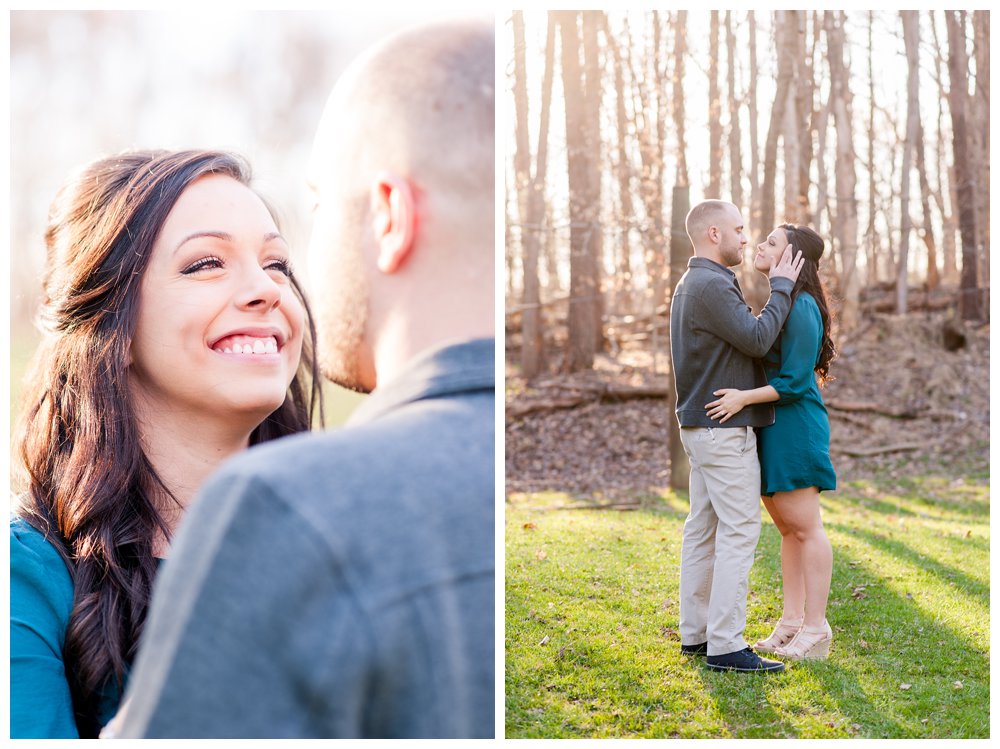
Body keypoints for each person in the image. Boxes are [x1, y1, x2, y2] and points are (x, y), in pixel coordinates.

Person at [115, 19, 495, 739]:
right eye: (205, 263)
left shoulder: (287, 509)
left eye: (312, 217)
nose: (270, 288)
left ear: (388, 216)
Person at [9, 149, 320, 738]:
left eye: (277, 264)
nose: (266, 290)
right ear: (111, 325)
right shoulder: (24, 580)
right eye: (206, 263)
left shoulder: (356, 548)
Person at [670, 199, 803, 674]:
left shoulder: (696, 283)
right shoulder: (708, 285)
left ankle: (697, 634)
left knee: (702, 529)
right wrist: (782, 289)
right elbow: (756, 338)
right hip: (722, 431)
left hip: (700, 427)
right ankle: (726, 643)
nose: (746, 239)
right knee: (739, 530)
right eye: (740, 230)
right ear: (713, 234)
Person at [705, 223, 837, 660]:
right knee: (787, 530)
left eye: (772, 243)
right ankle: (791, 622)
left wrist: (743, 397)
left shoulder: (800, 307)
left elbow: (796, 381)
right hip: (773, 426)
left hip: (795, 426)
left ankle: (817, 628)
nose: (759, 245)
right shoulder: (783, 303)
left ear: (792, 259)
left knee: (808, 529)